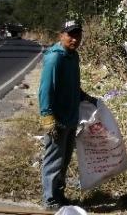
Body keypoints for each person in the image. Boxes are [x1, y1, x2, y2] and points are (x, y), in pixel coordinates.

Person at [38, 20, 98, 210]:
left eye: (78, 35)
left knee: (64, 161)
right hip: (58, 120)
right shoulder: (55, 58)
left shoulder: (73, 57)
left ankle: (59, 195)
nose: (74, 39)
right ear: (61, 35)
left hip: (71, 118)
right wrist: (48, 118)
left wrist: (86, 97)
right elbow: (45, 90)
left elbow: (72, 85)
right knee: (54, 161)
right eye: (70, 35)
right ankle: (50, 200)